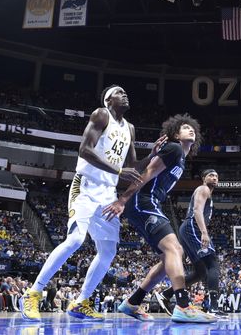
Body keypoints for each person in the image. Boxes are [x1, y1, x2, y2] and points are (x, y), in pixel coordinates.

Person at [21, 85, 149, 321]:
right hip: (86, 185)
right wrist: (119, 171)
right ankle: (33, 293)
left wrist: (154, 154)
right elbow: (85, 150)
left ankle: (81, 302)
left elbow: (134, 168)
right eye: (120, 92)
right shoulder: (101, 114)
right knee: (76, 239)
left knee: (108, 251)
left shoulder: (130, 128)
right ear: (109, 99)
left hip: (108, 192)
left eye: (126, 92)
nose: (125, 94)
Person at [107, 114, 216, 324]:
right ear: (175, 134)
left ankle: (132, 302)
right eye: (185, 128)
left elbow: (149, 168)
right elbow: (146, 173)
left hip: (151, 202)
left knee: (169, 259)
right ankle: (183, 306)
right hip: (142, 201)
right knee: (175, 250)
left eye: (192, 128)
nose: (191, 130)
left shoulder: (181, 158)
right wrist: (122, 200)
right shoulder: (174, 148)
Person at [155, 169, 227, 318]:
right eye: (210, 175)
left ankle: (166, 294)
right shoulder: (203, 189)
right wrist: (204, 232)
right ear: (203, 178)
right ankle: (213, 307)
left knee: (201, 273)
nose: (214, 178)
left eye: (216, 176)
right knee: (213, 264)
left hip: (188, 230)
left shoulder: (208, 192)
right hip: (192, 227)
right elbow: (196, 210)